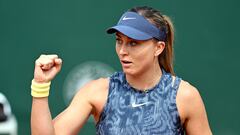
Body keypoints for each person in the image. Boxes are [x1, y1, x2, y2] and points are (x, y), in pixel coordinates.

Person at [31, 6, 212, 135]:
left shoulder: (185, 96)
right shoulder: (97, 91)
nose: (123, 51)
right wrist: (40, 85)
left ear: (158, 48)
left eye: (134, 43)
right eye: (119, 41)